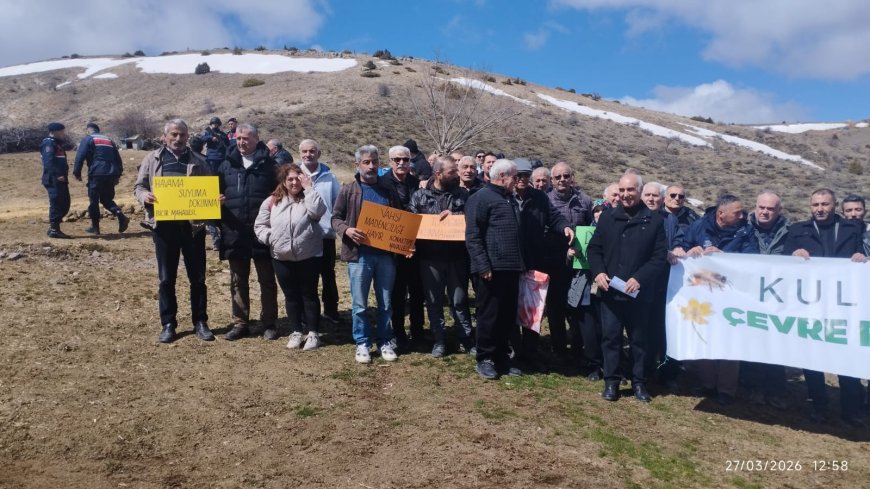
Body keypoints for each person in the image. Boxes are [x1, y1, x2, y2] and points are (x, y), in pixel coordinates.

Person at [785, 188, 866, 427]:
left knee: (846, 355)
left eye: (825, 204)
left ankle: (851, 410)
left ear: (835, 205)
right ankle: (818, 406)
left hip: (845, 305)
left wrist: (862, 258)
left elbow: (864, 252)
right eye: (815, 204)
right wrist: (793, 253)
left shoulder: (853, 229)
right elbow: (781, 260)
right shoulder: (798, 230)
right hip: (811, 304)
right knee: (813, 357)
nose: (820, 208)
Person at [587, 172, 667, 402]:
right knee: (610, 338)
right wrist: (599, 272)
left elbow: (659, 257)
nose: (625, 195)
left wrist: (640, 278)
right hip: (611, 292)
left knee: (639, 340)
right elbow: (594, 249)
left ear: (639, 191)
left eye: (630, 190)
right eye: (621, 190)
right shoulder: (608, 217)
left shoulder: (654, 221)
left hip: (638, 293)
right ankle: (611, 382)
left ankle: (639, 383)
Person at [133, 119, 214, 343]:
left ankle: (200, 322)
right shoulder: (152, 159)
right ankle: (168, 324)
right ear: (165, 136)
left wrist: (214, 200)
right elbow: (138, 186)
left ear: (188, 137)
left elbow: (210, 189)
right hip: (164, 228)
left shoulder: (199, 160)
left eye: (182, 135)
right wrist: (144, 196)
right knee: (166, 278)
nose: (178, 139)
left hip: (193, 228)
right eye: (174, 135)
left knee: (197, 278)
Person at [683, 194, 758, 405]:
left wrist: (724, 256)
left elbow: (753, 258)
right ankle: (707, 383)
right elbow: (683, 246)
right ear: (721, 214)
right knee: (705, 335)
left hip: (731, 294)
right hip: (702, 292)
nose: (742, 215)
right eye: (737, 212)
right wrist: (691, 250)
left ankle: (726, 389)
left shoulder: (746, 230)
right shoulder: (699, 226)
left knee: (729, 339)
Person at [332, 145, 402, 363]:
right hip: (359, 256)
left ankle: (385, 341)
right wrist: (347, 230)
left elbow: (399, 218)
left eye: (374, 162)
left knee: (386, 302)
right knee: (360, 304)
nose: (371, 166)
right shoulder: (348, 190)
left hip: (385, 256)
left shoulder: (389, 190)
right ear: (357, 165)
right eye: (366, 162)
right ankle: (362, 342)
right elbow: (335, 218)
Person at [215, 123, 279, 341]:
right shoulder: (225, 165)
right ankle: (240, 322)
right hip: (235, 232)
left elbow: (280, 195)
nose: (241, 142)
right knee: (237, 280)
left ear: (256, 139)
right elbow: (215, 195)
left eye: (246, 138)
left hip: (263, 233)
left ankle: (269, 323)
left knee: (267, 280)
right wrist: (217, 206)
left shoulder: (269, 165)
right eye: (239, 138)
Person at [255, 163, 326, 351]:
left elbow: (318, 212)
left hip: (308, 255)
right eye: (290, 179)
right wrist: (271, 238)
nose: (294, 182)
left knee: (309, 295)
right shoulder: (272, 201)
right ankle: (296, 331)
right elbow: (260, 225)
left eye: (298, 178)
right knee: (291, 295)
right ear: (284, 182)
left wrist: (309, 189)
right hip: (281, 256)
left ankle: (313, 333)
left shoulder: (309, 197)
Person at [465, 159, 525, 380]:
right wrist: (482, 265)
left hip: (511, 268)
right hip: (491, 269)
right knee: (489, 315)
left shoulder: (509, 199)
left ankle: (501, 356)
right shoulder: (480, 198)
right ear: (502, 177)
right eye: (514, 176)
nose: (517, 180)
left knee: (507, 316)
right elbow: (472, 236)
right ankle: (485, 358)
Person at [408, 156, 474, 357]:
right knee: (434, 301)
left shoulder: (464, 195)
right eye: (452, 171)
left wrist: (457, 218)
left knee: (459, 301)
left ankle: (466, 339)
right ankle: (439, 340)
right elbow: (410, 223)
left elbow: (473, 219)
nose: (457, 175)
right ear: (438, 174)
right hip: (430, 259)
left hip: (457, 258)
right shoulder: (419, 196)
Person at [742, 190, 790, 409]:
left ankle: (776, 389)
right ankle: (750, 387)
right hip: (748, 294)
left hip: (778, 298)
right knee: (750, 339)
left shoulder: (791, 231)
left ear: (778, 211)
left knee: (776, 342)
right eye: (762, 207)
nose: (765, 212)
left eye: (771, 209)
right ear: (755, 207)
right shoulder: (742, 228)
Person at [641, 182, 686, 386]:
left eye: (655, 196)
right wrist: (663, 253)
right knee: (639, 329)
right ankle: (639, 369)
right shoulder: (634, 216)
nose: (651, 199)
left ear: (662, 199)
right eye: (647, 195)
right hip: (639, 282)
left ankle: (660, 370)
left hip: (662, 285)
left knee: (659, 329)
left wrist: (678, 246)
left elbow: (678, 240)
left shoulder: (670, 220)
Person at [381, 145, 425, 350]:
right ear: (390, 161)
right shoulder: (381, 184)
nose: (401, 163)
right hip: (393, 249)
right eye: (397, 159)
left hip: (418, 247)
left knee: (418, 292)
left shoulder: (418, 184)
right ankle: (397, 332)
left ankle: (417, 331)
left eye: (405, 160)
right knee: (397, 293)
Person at [298, 139, 342, 322]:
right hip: (302, 234)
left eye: (312, 151)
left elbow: (338, 204)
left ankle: (331, 311)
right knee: (306, 277)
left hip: (325, 235)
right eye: (305, 151)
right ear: (300, 153)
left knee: (328, 274)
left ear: (319, 153)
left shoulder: (330, 177)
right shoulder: (294, 175)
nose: (308, 154)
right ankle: (306, 314)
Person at [72, 122, 130, 235]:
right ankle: (121, 216)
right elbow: (117, 158)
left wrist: (77, 172)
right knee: (106, 199)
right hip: (111, 173)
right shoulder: (109, 140)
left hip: (96, 173)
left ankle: (95, 227)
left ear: (88, 130)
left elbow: (80, 156)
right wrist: (118, 174)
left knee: (93, 200)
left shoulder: (88, 139)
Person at [201, 117, 229, 249]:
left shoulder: (222, 134)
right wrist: (210, 138)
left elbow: (227, 143)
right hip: (211, 159)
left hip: (222, 160)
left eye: (216, 124)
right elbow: (201, 140)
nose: (215, 125)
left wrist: (220, 139)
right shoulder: (207, 132)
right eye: (213, 124)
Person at [41, 122, 72, 239]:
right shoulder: (48, 143)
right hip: (53, 179)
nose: (63, 134)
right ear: (54, 132)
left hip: (61, 179)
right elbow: (48, 162)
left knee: (65, 203)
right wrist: (58, 174)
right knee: (57, 203)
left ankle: (54, 227)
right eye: (61, 132)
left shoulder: (57, 144)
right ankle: (54, 229)